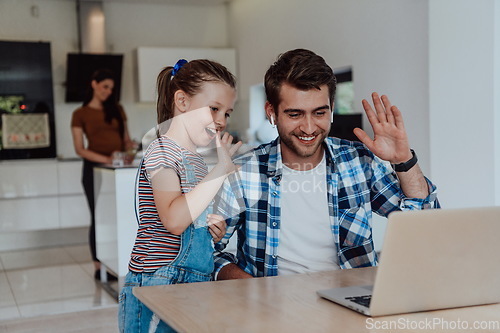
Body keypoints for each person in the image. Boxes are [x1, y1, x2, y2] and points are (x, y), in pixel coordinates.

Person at [213, 48, 440, 279]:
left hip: (351, 299)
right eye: (295, 114)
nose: (309, 128)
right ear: (272, 112)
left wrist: (403, 161)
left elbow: (424, 225)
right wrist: (253, 290)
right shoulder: (244, 171)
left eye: (319, 113)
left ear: (331, 107)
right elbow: (207, 253)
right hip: (273, 307)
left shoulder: (359, 161)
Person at [118, 59, 241, 333]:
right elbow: (174, 220)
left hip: (193, 283)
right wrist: (221, 169)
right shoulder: (161, 151)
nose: (221, 121)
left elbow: (189, 215)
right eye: (214, 109)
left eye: (227, 113)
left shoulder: (195, 162)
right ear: (182, 102)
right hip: (158, 284)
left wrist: (210, 228)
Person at [71, 69, 134, 280]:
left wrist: (130, 152)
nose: (108, 91)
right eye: (105, 86)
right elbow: (80, 149)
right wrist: (108, 159)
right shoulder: (80, 114)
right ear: (94, 84)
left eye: (111, 88)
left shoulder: (117, 109)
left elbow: (126, 140)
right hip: (95, 170)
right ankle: (99, 264)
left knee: (117, 217)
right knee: (99, 217)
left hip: (117, 171)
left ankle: (118, 259)